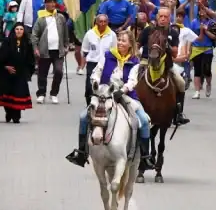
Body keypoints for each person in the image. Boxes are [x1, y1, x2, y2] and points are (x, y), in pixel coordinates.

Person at [66, 30, 154, 168]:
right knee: (83, 117)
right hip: (104, 94)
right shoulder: (107, 56)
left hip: (125, 95)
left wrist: (123, 90)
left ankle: (145, 157)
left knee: (143, 120)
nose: (120, 43)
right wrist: (95, 82)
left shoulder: (135, 61)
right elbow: (97, 71)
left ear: (130, 44)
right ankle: (81, 152)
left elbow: (132, 81)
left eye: (123, 41)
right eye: (119, 40)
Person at [136, 7, 190, 125]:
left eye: (166, 17)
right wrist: (137, 54)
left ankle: (178, 113)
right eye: (161, 16)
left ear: (169, 18)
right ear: (157, 17)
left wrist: (167, 46)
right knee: (132, 81)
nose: (163, 19)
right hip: (147, 62)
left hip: (166, 64)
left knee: (181, 83)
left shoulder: (173, 32)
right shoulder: (148, 30)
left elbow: (175, 53)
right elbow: (137, 44)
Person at [0, 23, 36, 123]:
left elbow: (31, 60)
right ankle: (8, 112)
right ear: (14, 31)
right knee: (6, 96)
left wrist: (28, 72)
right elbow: (1, 58)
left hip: (20, 75)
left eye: (21, 29)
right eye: (17, 29)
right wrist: (5, 67)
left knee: (18, 95)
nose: (19, 31)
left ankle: (16, 116)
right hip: (7, 75)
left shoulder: (27, 43)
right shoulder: (7, 42)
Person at [31, 0, 67, 104]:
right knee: (42, 73)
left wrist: (66, 45)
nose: (52, 4)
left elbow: (65, 33)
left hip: (58, 50)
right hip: (44, 50)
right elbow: (34, 35)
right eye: (49, 3)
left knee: (59, 71)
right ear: (45, 5)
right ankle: (41, 93)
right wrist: (35, 48)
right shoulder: (40, 18)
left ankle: (54, 93)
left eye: (53, 3)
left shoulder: (60, 17)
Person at [81, 13, 117, 105]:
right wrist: (82, 66)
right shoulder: (89, 34)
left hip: (106, 64)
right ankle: (89, 106)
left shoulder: (112, 35)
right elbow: (84, 51)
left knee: (105, 87)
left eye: (105, 21)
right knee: (90, 87)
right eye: (100, 21)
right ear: (96, 22)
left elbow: (115, 51)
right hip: (92, 63)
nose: (103, 23)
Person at [190, 0, 216, 99]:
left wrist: (205, 30)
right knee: (197, 70)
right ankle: (197, 91)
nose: (202, 13)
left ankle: (208, 84)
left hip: (207, 49)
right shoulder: (194, 22)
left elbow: (214, 37)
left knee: (207, 70)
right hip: (196, 48)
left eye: (204, 11)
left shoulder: (211, 23)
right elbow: (191, 36)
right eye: (200, 11)